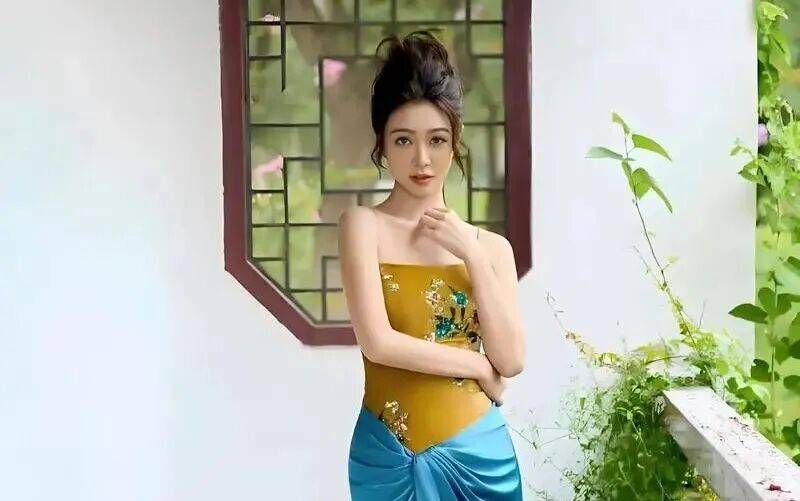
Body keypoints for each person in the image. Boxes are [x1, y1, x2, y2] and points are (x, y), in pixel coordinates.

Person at [338, 30, 526, 500]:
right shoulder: (363, 226)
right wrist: (476, 365)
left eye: (437, 140)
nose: (422, 159)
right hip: (386, 460)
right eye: (403, 140)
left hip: (480, 460)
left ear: (454, 142)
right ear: (382, 144)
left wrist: (471, 254)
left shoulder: (492, 248)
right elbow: (378, 342)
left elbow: (511, 361)